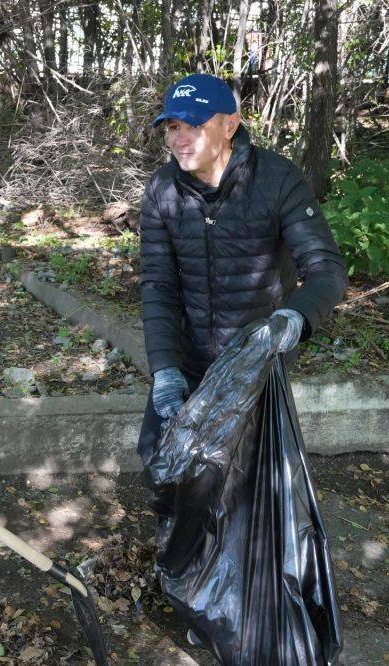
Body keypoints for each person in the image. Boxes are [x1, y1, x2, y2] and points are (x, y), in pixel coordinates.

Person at [137, 73, 348, 642]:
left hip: (253, 367)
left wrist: (291, 320)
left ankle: (240, 609)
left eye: (195, 125)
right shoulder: (162, 191)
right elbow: (158, 286)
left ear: (229, 125)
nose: (181, 139)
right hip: (188, 361)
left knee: (239, 487)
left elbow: (325, 269)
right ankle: (192, 589)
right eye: (173, 127)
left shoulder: (276, 180)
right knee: (168, 467)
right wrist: (166, 373)